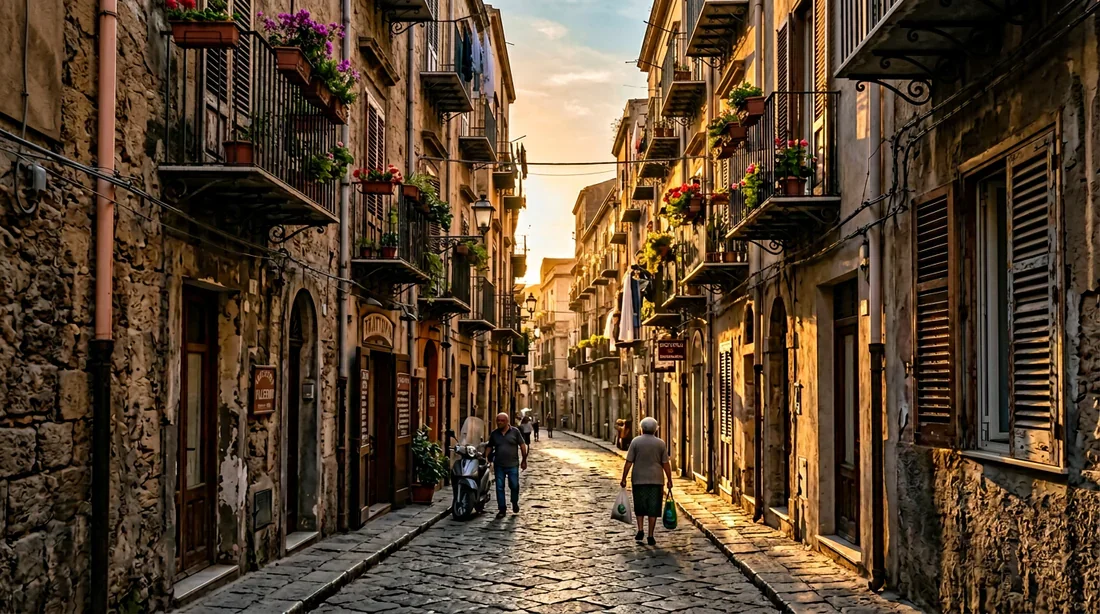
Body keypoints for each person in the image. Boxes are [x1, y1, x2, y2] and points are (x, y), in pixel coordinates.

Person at [620, 417, 673, 546]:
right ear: (655, 429)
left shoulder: (635, 442)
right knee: (653, 507)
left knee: (640, 505)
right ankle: (650, 535)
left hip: (639, 479)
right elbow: (666, 464)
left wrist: (623, 478)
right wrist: (670, 479)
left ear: (641, 428)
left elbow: (628, 462)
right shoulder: (660, 443)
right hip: (656, 479)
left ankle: (640, 529)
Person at [485, 412, 528, 517]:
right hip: (499, 465)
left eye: (502, 421)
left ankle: (514, 502)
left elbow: (522, 445)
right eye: (498, 420)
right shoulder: (494, 434)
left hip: (513, 464)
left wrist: (524, 460)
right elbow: (490, 446)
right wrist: (485, 457)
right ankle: (502, 509)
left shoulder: (515, 432)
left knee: (514, 485)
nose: (499, 422)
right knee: (499, 487)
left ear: (507, 422)